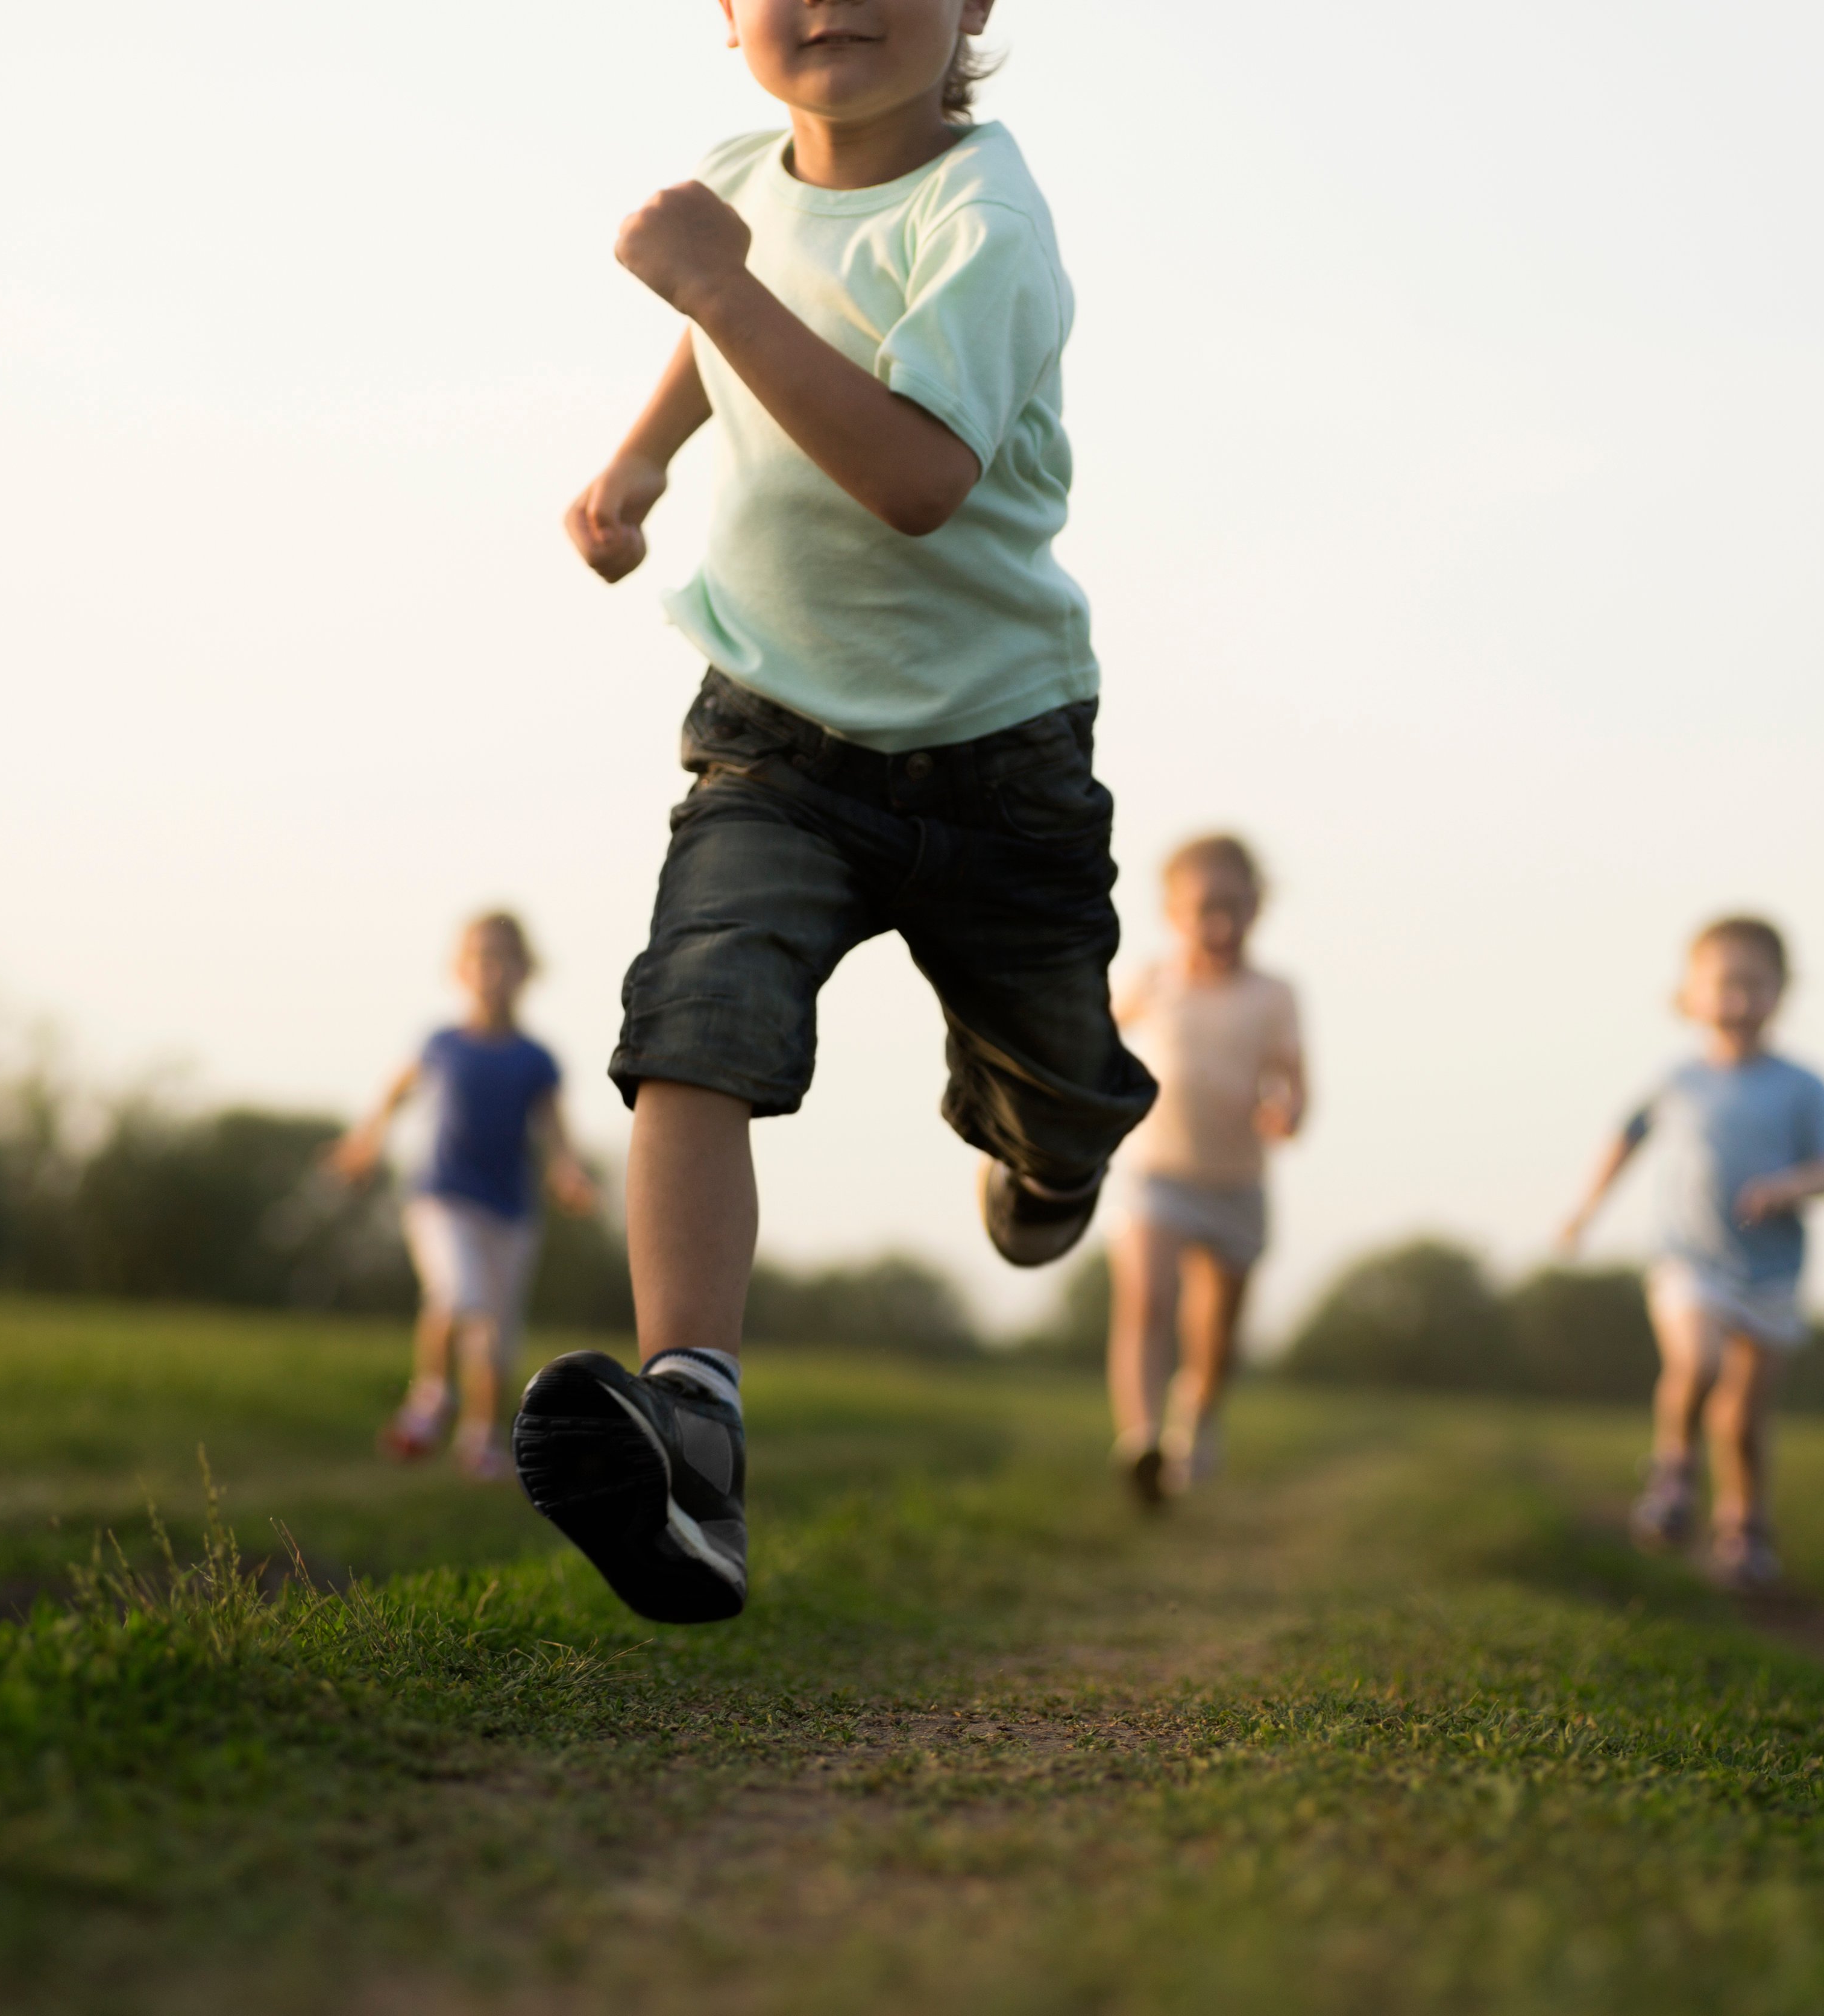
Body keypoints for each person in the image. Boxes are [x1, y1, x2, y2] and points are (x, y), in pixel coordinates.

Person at [515, 0, 1154, 1625]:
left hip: (998, 761)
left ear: (975, 12)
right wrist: (641, 461)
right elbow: (718, 333)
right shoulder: (745, 181)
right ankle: (694, 1428)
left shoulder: (984, 221)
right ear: (724, 18)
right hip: (776, 737)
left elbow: (918, 480)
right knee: (696, 1021)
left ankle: (1048, 1145)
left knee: (1062, 1085)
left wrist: (718, 282)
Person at [1556, 916, 1824, 1589]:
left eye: (1756, 984)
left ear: (1782, 993)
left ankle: (1744, 1528)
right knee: (1698, 1360)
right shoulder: (1678, 1081)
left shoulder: (1802, 1085)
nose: (1739, 1000)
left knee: (1745, 1418)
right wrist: (1584, 1211)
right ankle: (1673, 1471)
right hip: (1687, 1257)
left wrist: (1790, 1184)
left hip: (1772, 1271)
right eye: (1724, 984)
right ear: (1688, 994)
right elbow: (1624, 1139)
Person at [332, 913, 599, 1481]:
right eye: (480, 957)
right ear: (459, 970)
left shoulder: (536, 1058)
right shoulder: (441, 1043)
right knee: (458, 1294)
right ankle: (430, 1401)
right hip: (442, 1197)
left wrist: (569, 1173)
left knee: (496, 1334)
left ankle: (480, 1442)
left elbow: (555, 1131)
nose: (491, 969)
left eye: (504, 957)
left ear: (527, 971)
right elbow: (394, 1095)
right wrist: (364, 1143)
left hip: (511, 1211)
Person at [1105, 835, 1306, 1507]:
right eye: (1204, 908)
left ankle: (1199, 1416)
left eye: (1234, 906)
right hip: (1159, 1172)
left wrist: (1287, 1111)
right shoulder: (1153, 982)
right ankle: (1142, 1440)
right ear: (1171, 913)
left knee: (1215, 1340)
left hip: (1236, 1185)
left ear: (1257, 908)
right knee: (1147, 1302)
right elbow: (1095, 1038)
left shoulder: (1273, 995)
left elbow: (1294, 1082)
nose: (1218, 924)